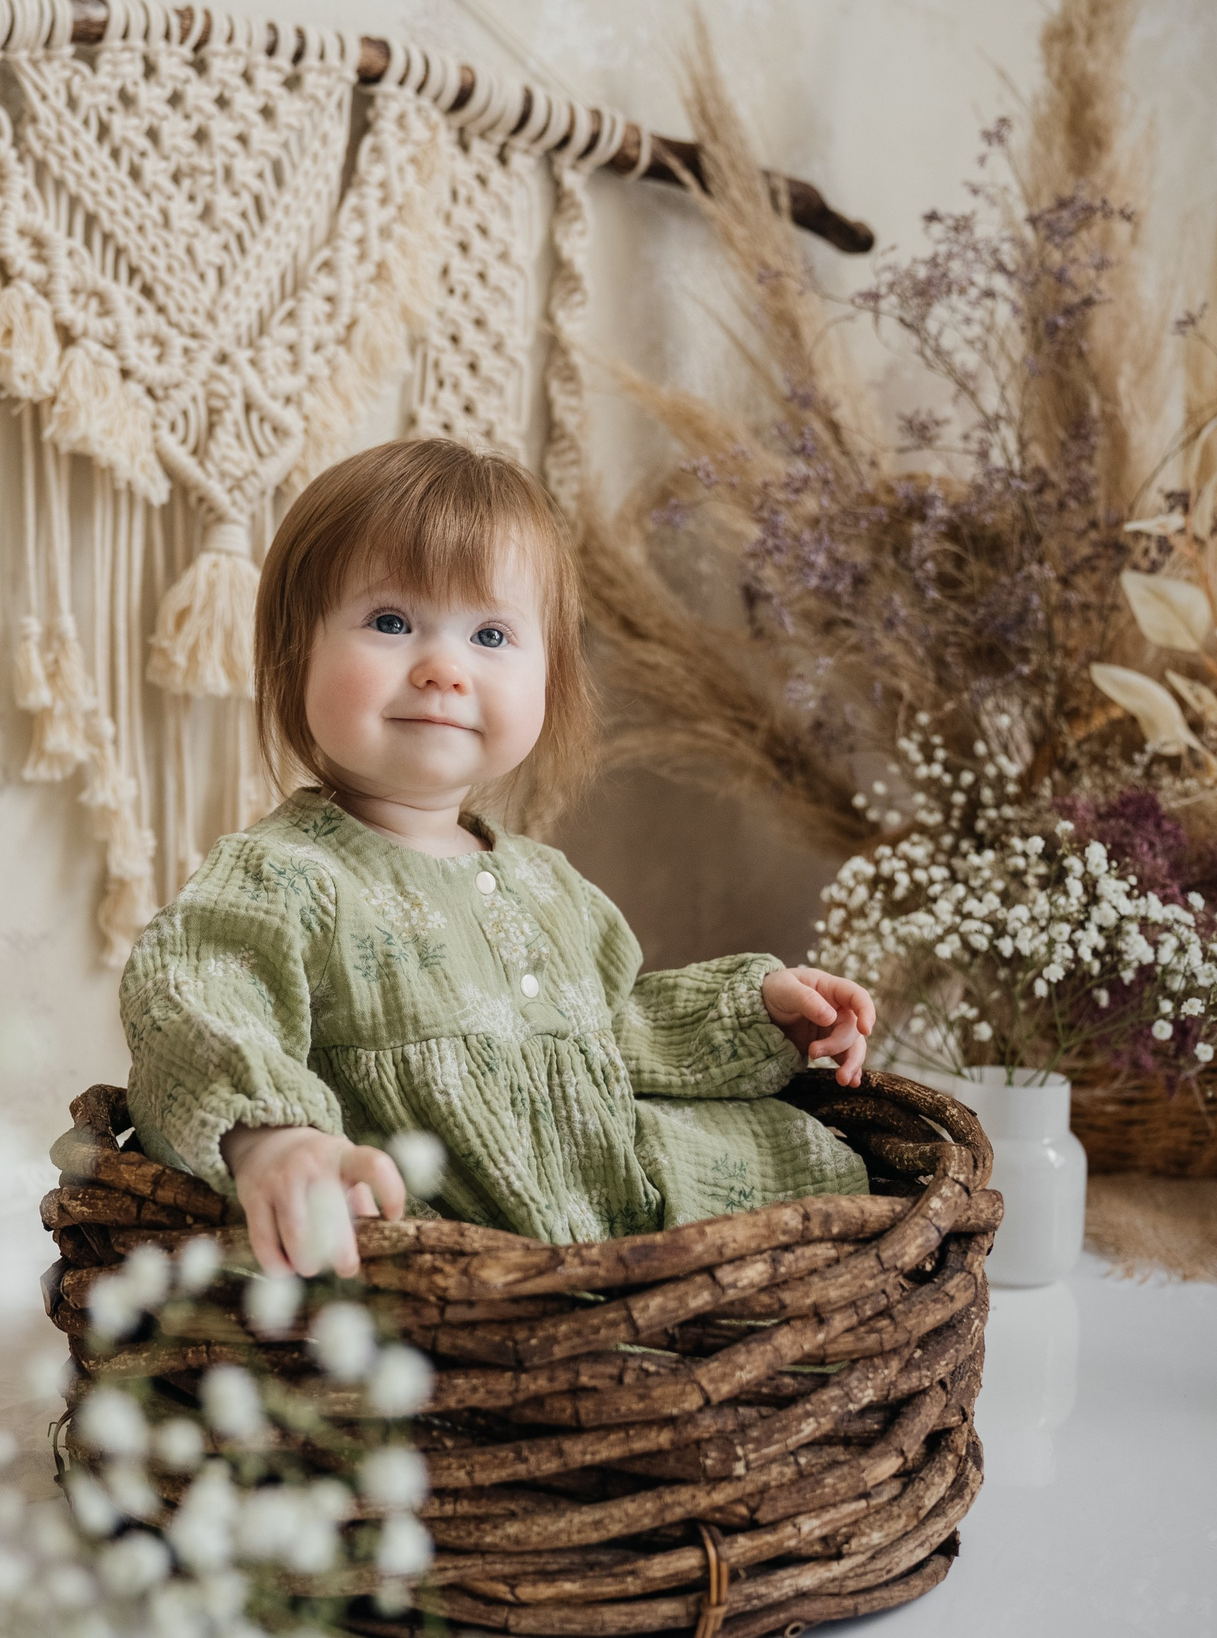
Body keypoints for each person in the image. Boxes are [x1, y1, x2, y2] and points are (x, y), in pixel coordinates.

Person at [121, 438, 877, 1279]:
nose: (444, 668)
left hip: (608, 1217)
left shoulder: (550, 885)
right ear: (295, 653)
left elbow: (616, 1035)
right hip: (446, 1248)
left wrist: (759, 1011)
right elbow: (192, 1000)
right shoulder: (283, 877)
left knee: (813, 1160)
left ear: (550, 677)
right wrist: (276, 1142)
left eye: (490, 633)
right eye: (391, 622)